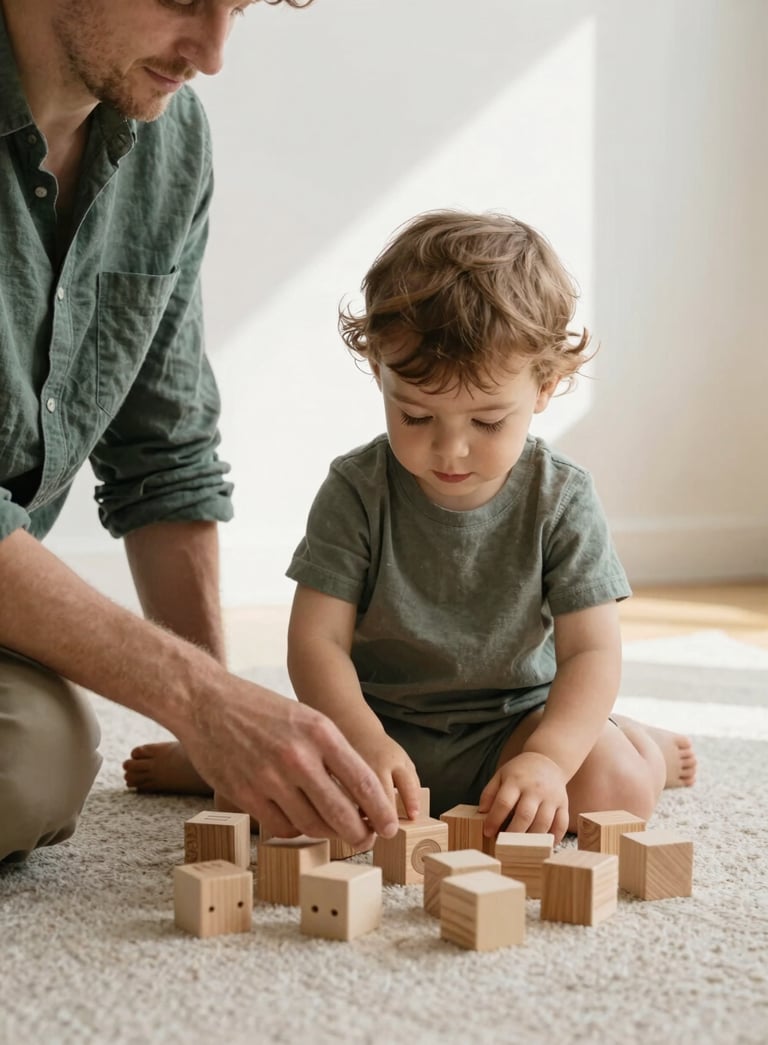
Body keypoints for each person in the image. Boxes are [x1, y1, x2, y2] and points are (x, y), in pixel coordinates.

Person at [0, 0, 401, 865]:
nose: (214, 53)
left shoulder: (169, 141)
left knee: (34, 757)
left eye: (239, 7)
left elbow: (163, 454)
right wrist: (200, 699)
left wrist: (222, 732)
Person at [285, 209, 697, 845]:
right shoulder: (355, 489)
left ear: (546, 387)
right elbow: (317, 643)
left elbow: (592, 650)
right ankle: (202, 765)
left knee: (614, 789)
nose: (450, 452)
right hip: (381, 724)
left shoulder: (562, 497)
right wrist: (364, 739)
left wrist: (550, 759)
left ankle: (647, 749)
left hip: (517, 725)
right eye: (416, 416)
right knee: (266, 786)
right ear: (380, 373)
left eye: (485, 423)